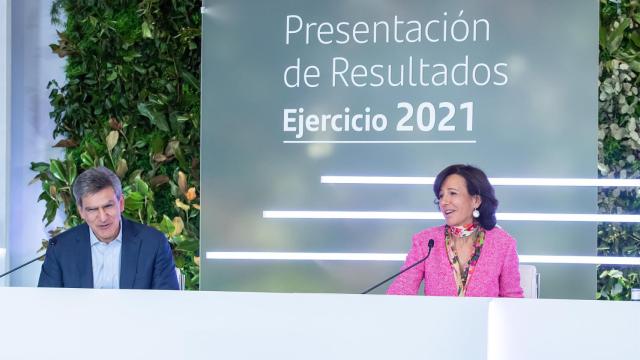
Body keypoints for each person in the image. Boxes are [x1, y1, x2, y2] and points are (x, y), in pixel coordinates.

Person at [387, 164, 523, 297]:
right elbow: (400, 291)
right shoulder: (426, 241)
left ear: (476, 200)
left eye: (452, 193)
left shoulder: (503, 243)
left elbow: (513, 301)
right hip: (436, 319)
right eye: (441, 196)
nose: (444, 202)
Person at [38, 166, 179, 290]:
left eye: (108, 206)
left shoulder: (154, 243)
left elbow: (167, 306)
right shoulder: (60, 248)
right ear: (81, 212)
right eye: (92, 209)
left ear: (121, 203)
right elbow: (47, 307)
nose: (103, 217)